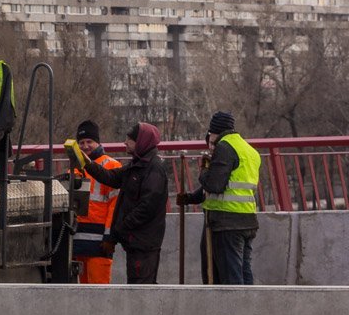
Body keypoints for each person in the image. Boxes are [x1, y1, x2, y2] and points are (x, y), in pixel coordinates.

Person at [176, 111, 260, 284]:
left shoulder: (224, 147)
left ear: (214, 131)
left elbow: (214, 185)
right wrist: (191, 198)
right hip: (247, 221)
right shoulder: (249, 150)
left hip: (226, 223)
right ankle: (250, 309)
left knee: (231, 279)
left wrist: (204, 168)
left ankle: (233, 311)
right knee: (244, 274)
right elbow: (225, 186)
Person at [82, 122, 169, 284]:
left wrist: (121, 227)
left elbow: (147, 207)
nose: (124, 143)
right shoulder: (137, 165)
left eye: (129, 139)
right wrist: (88, 163)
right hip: (136, 241)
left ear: (140, 142)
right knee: (137, 284)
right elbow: (111, 178)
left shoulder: (153, 169)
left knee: (141, 286)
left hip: (144, 242)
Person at [71, 120, 120, 284]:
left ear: (98, 142)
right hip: (79, 238)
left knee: (99, 290)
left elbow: (115, 205)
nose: (85, 146)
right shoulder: (76, 168)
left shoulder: (111, 165)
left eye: (89, 142)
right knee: (84, 290)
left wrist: (109, 236)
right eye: (81, 142)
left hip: (100, 241)